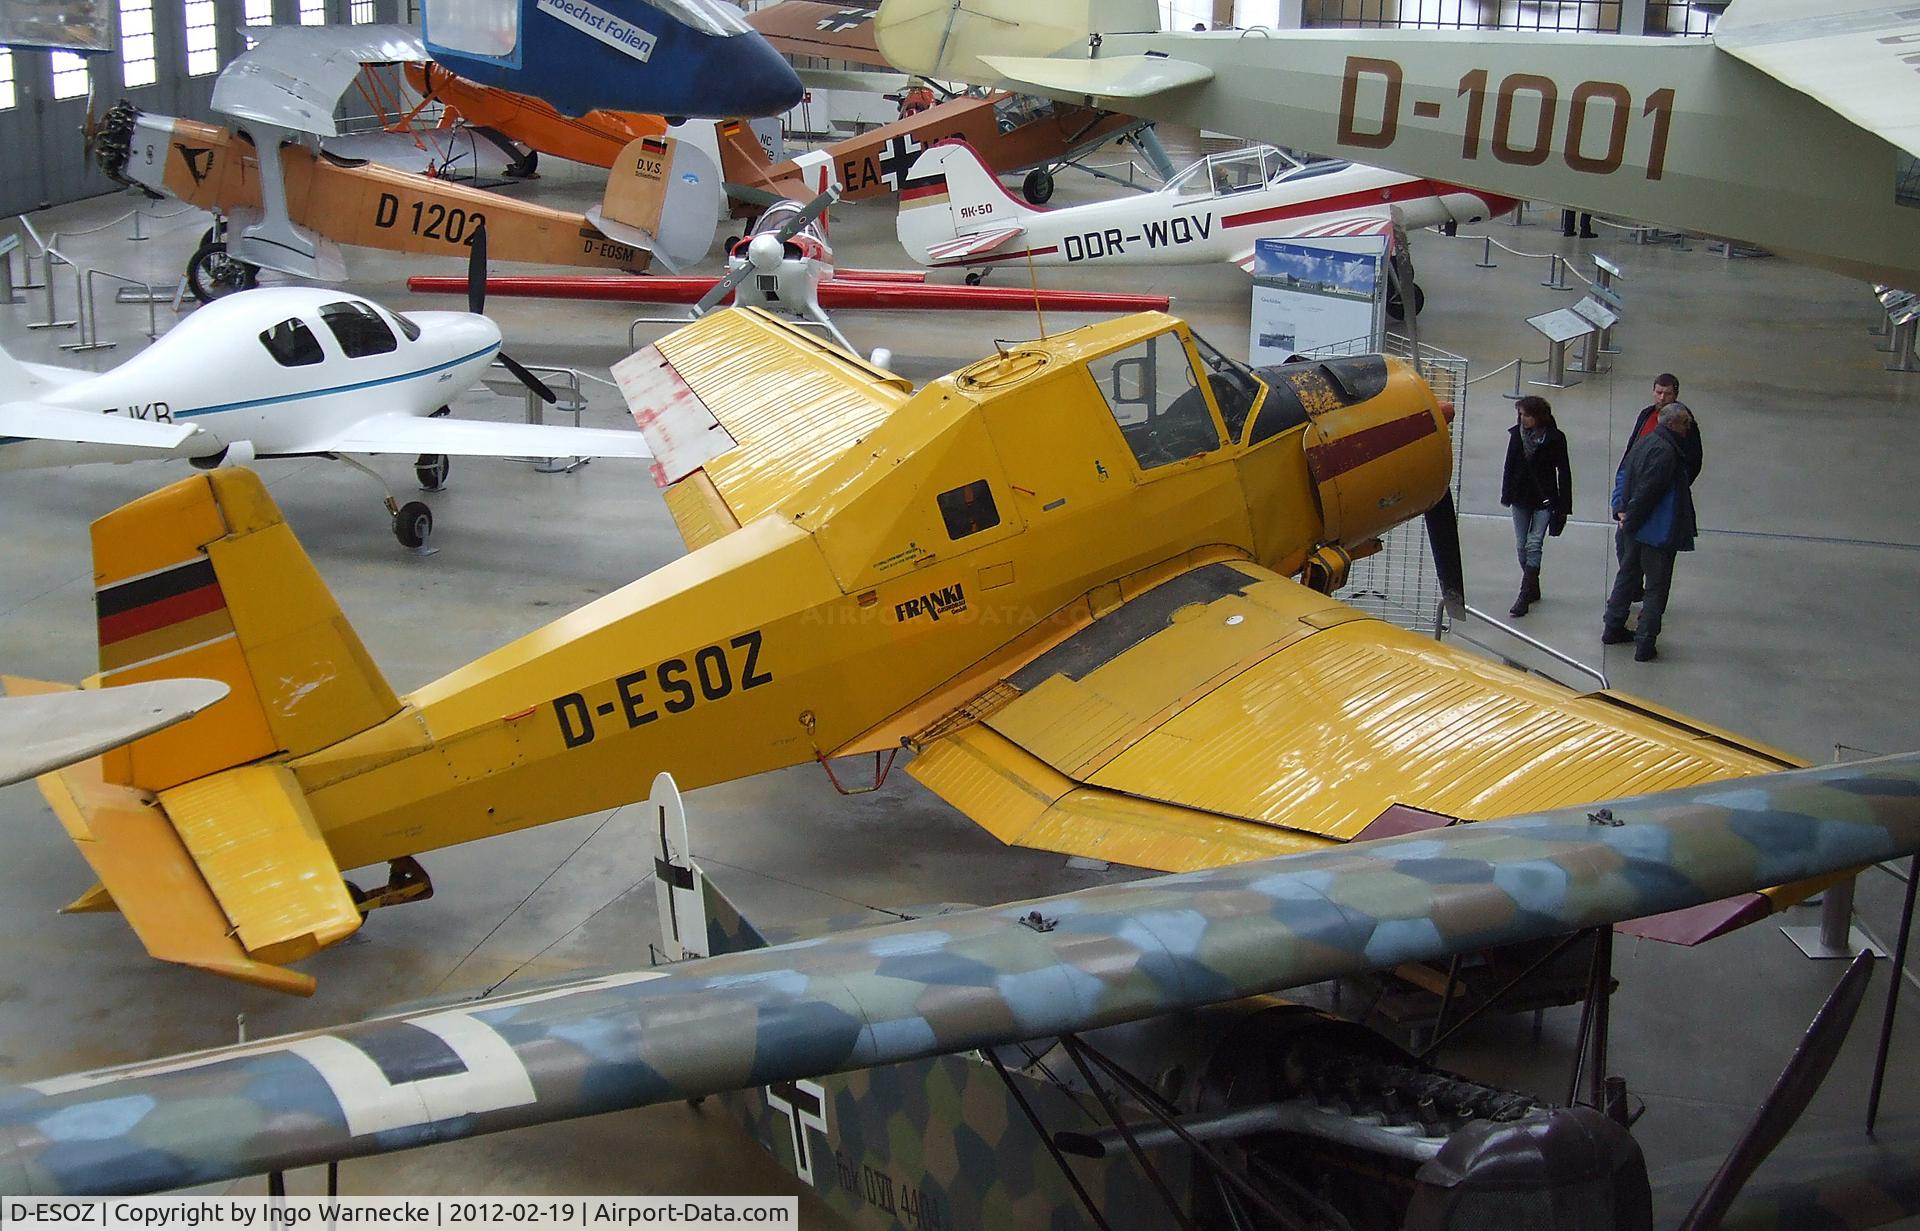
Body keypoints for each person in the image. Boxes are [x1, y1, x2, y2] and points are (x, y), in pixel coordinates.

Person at [1603, 404, 1697, 662]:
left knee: (1627, 576)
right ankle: (1645, 642)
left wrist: (1621, 512)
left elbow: (1624, 476)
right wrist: (1631, 518)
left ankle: (1612, 626)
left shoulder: (1645, 442)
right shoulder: (1667, 452)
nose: (1688, 428)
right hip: (1656, 532)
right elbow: (1649, 493)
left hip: (1633, 528)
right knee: (1656, 588)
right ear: (1673, 424)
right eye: (1685, 423)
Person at [1614, 373, 1701, 600]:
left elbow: (1693, 461)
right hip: (1635, 493)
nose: (1662, 397)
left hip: (1660, 499)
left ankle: (1643, 602)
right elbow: (1631, 452)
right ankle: (1632, 590)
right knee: (1623, 545)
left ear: (1676, 394)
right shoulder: (1646, 415)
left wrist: (1673, 485)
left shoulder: (1683, 422)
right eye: (1658, 392)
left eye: (1667, 393)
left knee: (1653, 560)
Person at [1499, 395, 1572, 617]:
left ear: (1539, 416)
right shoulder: (1516, 436)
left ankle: (1524, 594)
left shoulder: (1556, 438)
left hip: (1545, 498)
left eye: (1527, 415)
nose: (1523, 419)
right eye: (1520, 415)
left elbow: (1564, 472)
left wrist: (1564, 506)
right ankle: (1532, 582)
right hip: (1520, 497)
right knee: (1521, 545)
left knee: (1534, 543)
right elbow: (1509, 465)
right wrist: (1506, 494)